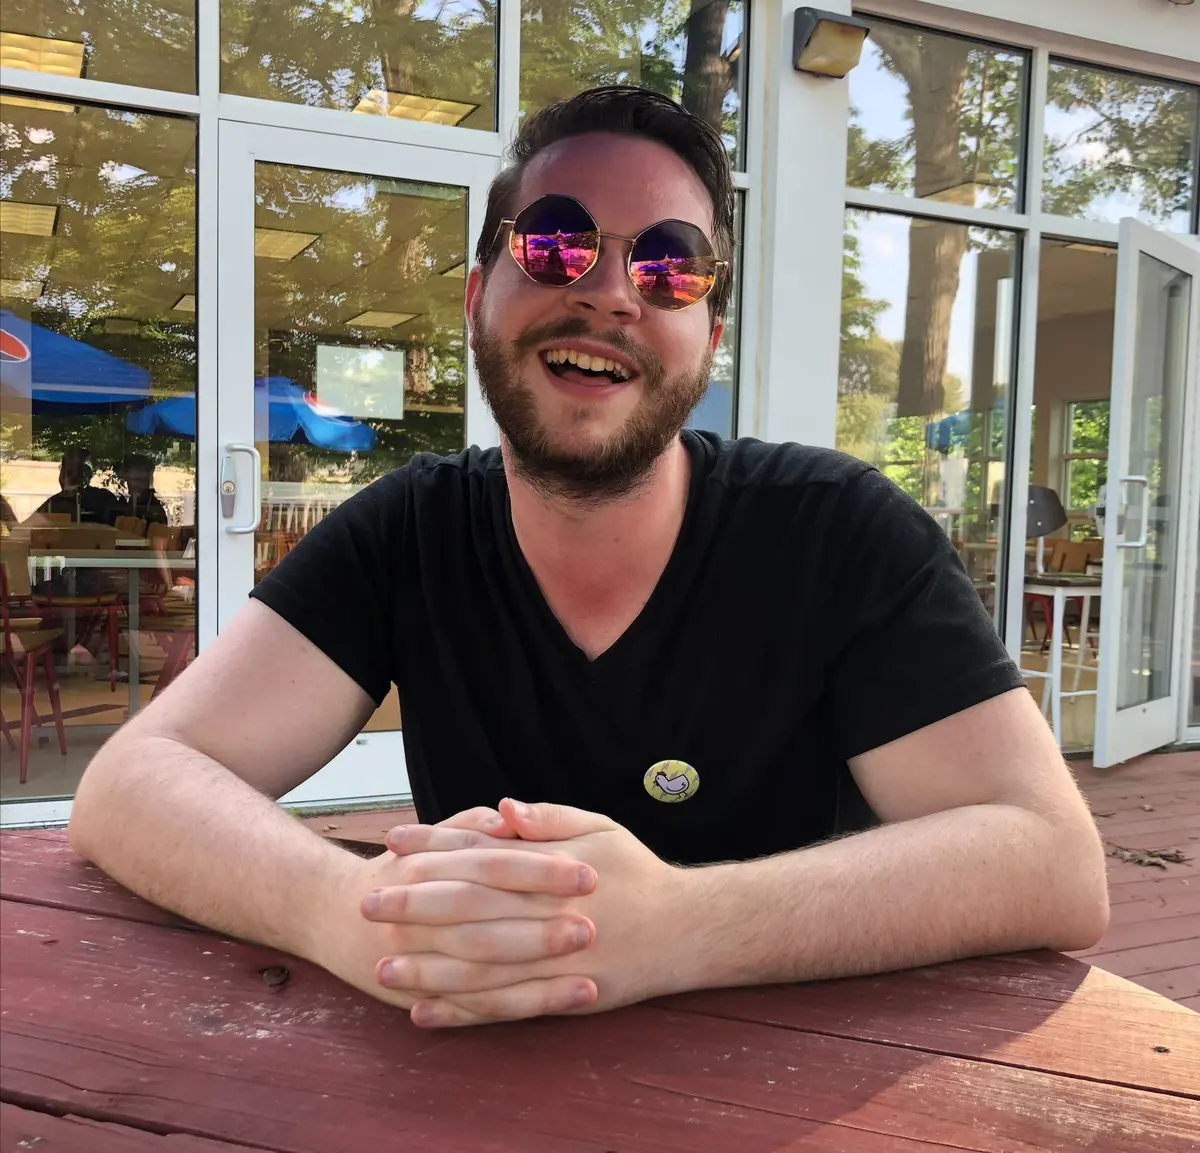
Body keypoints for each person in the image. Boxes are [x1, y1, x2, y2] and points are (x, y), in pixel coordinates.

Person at [69, 86, 1108, 1031]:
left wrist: (679, 924)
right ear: (477, 295)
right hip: (470, 1089)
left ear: (708, 335)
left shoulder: (837, 532)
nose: (613, 292)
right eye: (556, 243)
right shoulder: (409, 531)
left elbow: (1052, 860)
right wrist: (346, 909)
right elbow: (131, 783)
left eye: (669, 264)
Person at [33, 447, 120, 525]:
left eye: (70, 471)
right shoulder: (52, 503)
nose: (64, 476)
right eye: (65, 470)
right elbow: (34, 528)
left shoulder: (103, 499)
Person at [115, 453, 169, 526]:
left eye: (138, 480)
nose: (133, 484)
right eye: (129, 479)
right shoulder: (131, 503)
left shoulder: (153, 509)